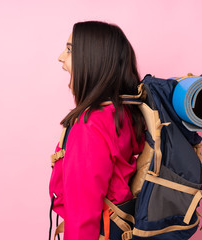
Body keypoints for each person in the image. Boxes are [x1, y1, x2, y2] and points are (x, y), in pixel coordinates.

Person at [49, 21, 145, 240]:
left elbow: (83, 215)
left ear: (93, 59)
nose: (61, 57)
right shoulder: (122, 113)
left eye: (70, 49)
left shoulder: (90, 124)